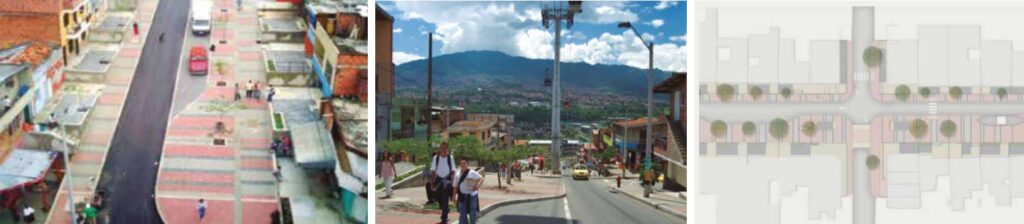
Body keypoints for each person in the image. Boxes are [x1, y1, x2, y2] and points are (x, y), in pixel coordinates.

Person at [430, 143, 456, 224]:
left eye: (445, 148)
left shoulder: (450, 158)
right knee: (437, 197)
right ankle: (446, 209)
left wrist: (453, 181)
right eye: (442, 148)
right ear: (440, 149)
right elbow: (433, 171)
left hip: (447, 180)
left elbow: (453, 170)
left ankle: (444, 218)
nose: (443, 149)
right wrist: (432, 183)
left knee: (445, 199)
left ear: (447, 149)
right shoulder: (436, 158)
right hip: (438, 180)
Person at [454, 159, 482, 224]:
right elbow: (455, 186)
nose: (463, 165)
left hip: (472, 196)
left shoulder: (472, 172)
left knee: (472, 212)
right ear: (460, 165)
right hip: (462, 196)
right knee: (462, 213)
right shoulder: (457, 174)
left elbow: (481, 178)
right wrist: (453, 196)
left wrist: (477, 185)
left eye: (464, 163)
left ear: (467, 164)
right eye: (461, 163)